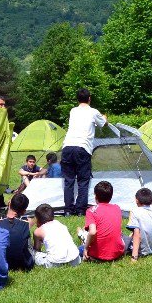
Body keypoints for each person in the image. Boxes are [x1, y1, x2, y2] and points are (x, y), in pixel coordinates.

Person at [60, 88, 106, 216]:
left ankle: (68, 210)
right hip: (82, 148)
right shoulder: (93, 112)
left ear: (77, 99)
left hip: (67, 147)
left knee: (68, 181)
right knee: (83, 181)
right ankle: (80, 210)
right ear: (89, 98)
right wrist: (104, 118)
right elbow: (104, 124)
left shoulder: (73, 111)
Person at [80, 181, 126, 262]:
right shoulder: (117, 208)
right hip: (117, 253)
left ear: (95, 196)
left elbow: (93, 232)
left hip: (97, 254)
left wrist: (86, 249)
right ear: (111, 196)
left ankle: (80, 233)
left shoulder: (91, 210)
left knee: (79, 245)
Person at [0, 193, 35, 271]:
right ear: (24, 211)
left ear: (9, 203)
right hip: (24, 264)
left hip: (1, 262)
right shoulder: (27, 223)